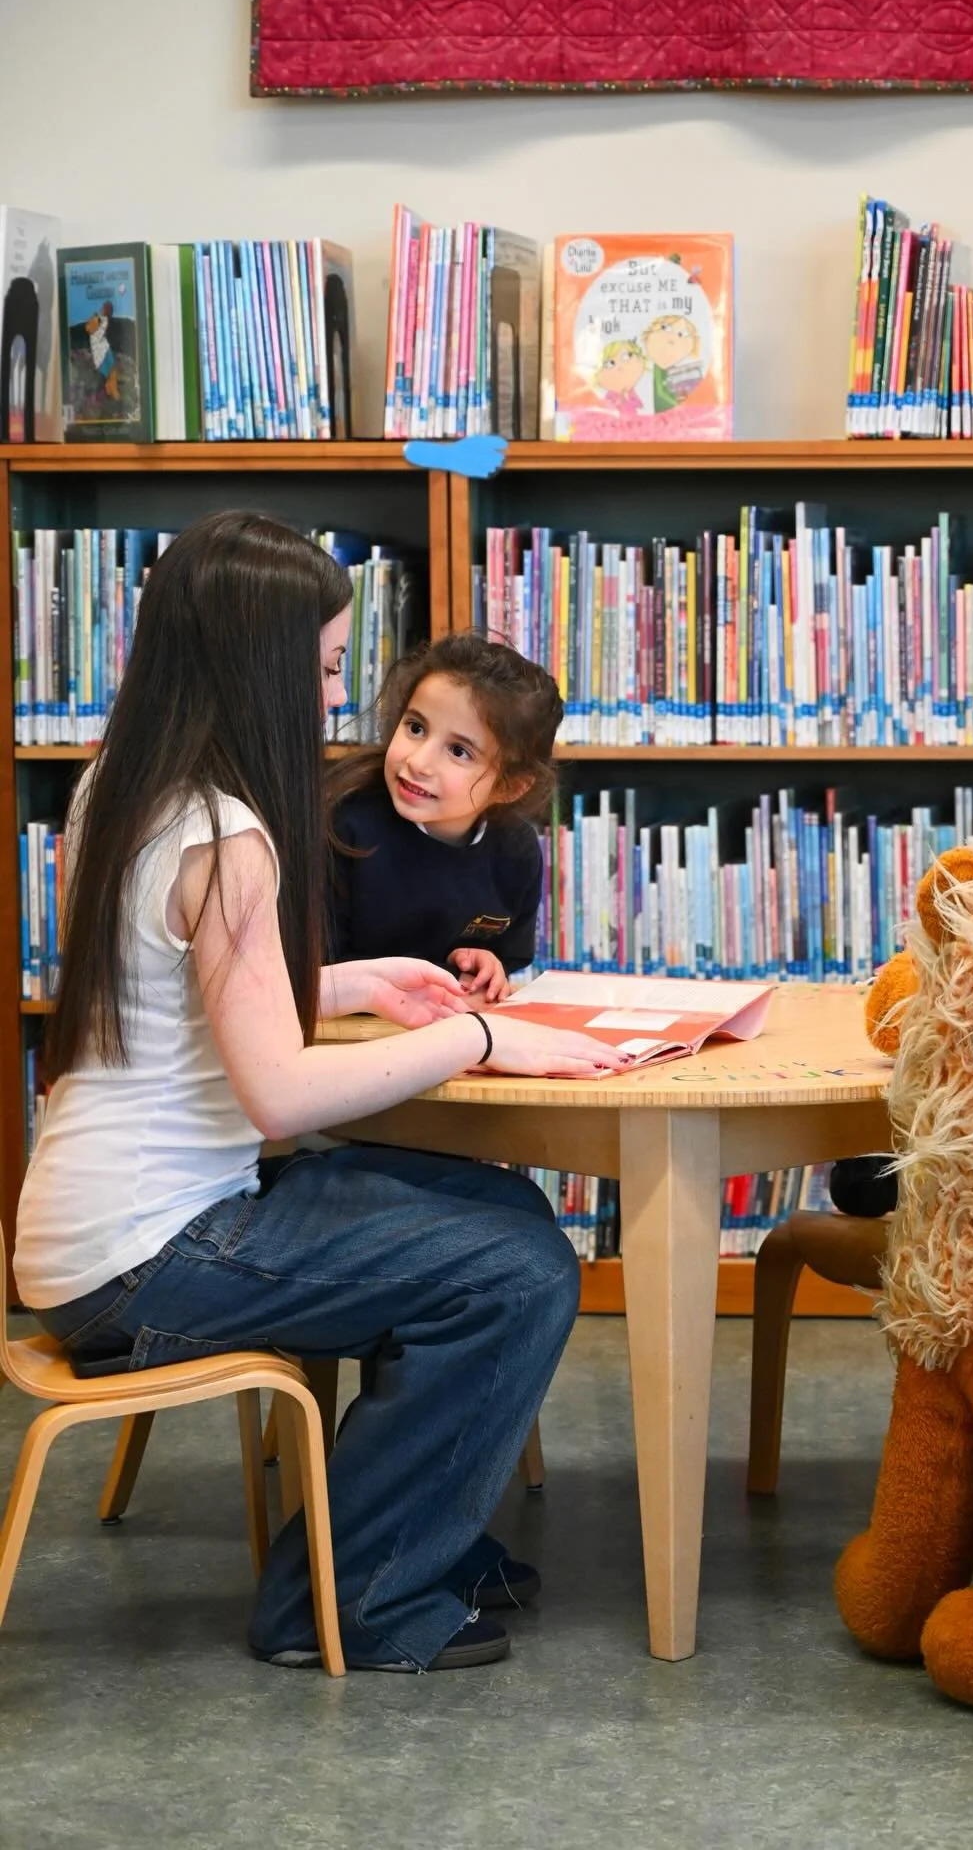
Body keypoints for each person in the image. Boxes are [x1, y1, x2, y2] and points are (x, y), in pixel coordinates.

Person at [14, 511, 627, 1673]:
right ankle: (352, 1597)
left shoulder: (129, 783)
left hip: (87, 1234)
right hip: (143, 1260)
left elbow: (190, 993)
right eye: (330, 667)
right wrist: (483, 1038)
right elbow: (282, 1094)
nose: (337, 694)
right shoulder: (227, 832)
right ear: (259, 665)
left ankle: (417, 1530)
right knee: (520, 1273)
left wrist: (353, 977)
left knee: (501, 1213)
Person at [328, 633, 560, 1005]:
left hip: (450, 1033)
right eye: (415, 727)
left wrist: (486, 964)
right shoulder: (343, 826)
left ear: (509, 787)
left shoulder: (516, 851)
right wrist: (441, 976)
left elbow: (505, 955)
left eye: (458, 751)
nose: (417, 761)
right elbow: (315, 972)